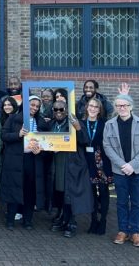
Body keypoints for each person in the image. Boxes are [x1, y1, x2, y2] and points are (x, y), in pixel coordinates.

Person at [104, 85, 139, 248]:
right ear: (116, 108)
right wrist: (123, 165)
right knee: (122, 202)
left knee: (137, 202)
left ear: (131, 106)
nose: (122, 108)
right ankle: (123, 231)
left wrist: (132, 165)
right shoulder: (109, 124)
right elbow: (107, 147)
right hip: (120, 171)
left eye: (124, 105)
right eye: (118, 105)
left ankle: (136, 232)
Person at [0, 95, 48, 230]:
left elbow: (47, 142)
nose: (34, 108)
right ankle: (10, 220)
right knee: (14, 189)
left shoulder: (41, 122)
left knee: (30, 191)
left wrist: (41, 150)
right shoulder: (13, 118)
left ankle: (28, 220)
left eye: (37, 106)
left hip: (33, 160)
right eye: (32, 105)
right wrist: (18, 134)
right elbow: (4, 136)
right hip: (16, 160)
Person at [49, 100, 92, 238]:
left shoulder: (74, 122)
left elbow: (85, 140)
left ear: (67, 110)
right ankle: (63, 218)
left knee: (70, 193)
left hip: (72, 163)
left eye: (61, 109)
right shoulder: (52, 124)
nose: (59, 112)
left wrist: (78, 128)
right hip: (57, 163)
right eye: (56, 110)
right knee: (61, 191)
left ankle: (71, 222)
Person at [82, 97, 112, 235]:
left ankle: (103, 221)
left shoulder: (105, 124)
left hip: (102, 162)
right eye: (91, 106)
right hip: (87, 162)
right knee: (92, 193)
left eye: (96, 107)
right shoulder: (81, 123)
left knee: (104, 192)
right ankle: (93, 221)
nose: (93, 109)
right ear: (87, 107)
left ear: (99, 110)